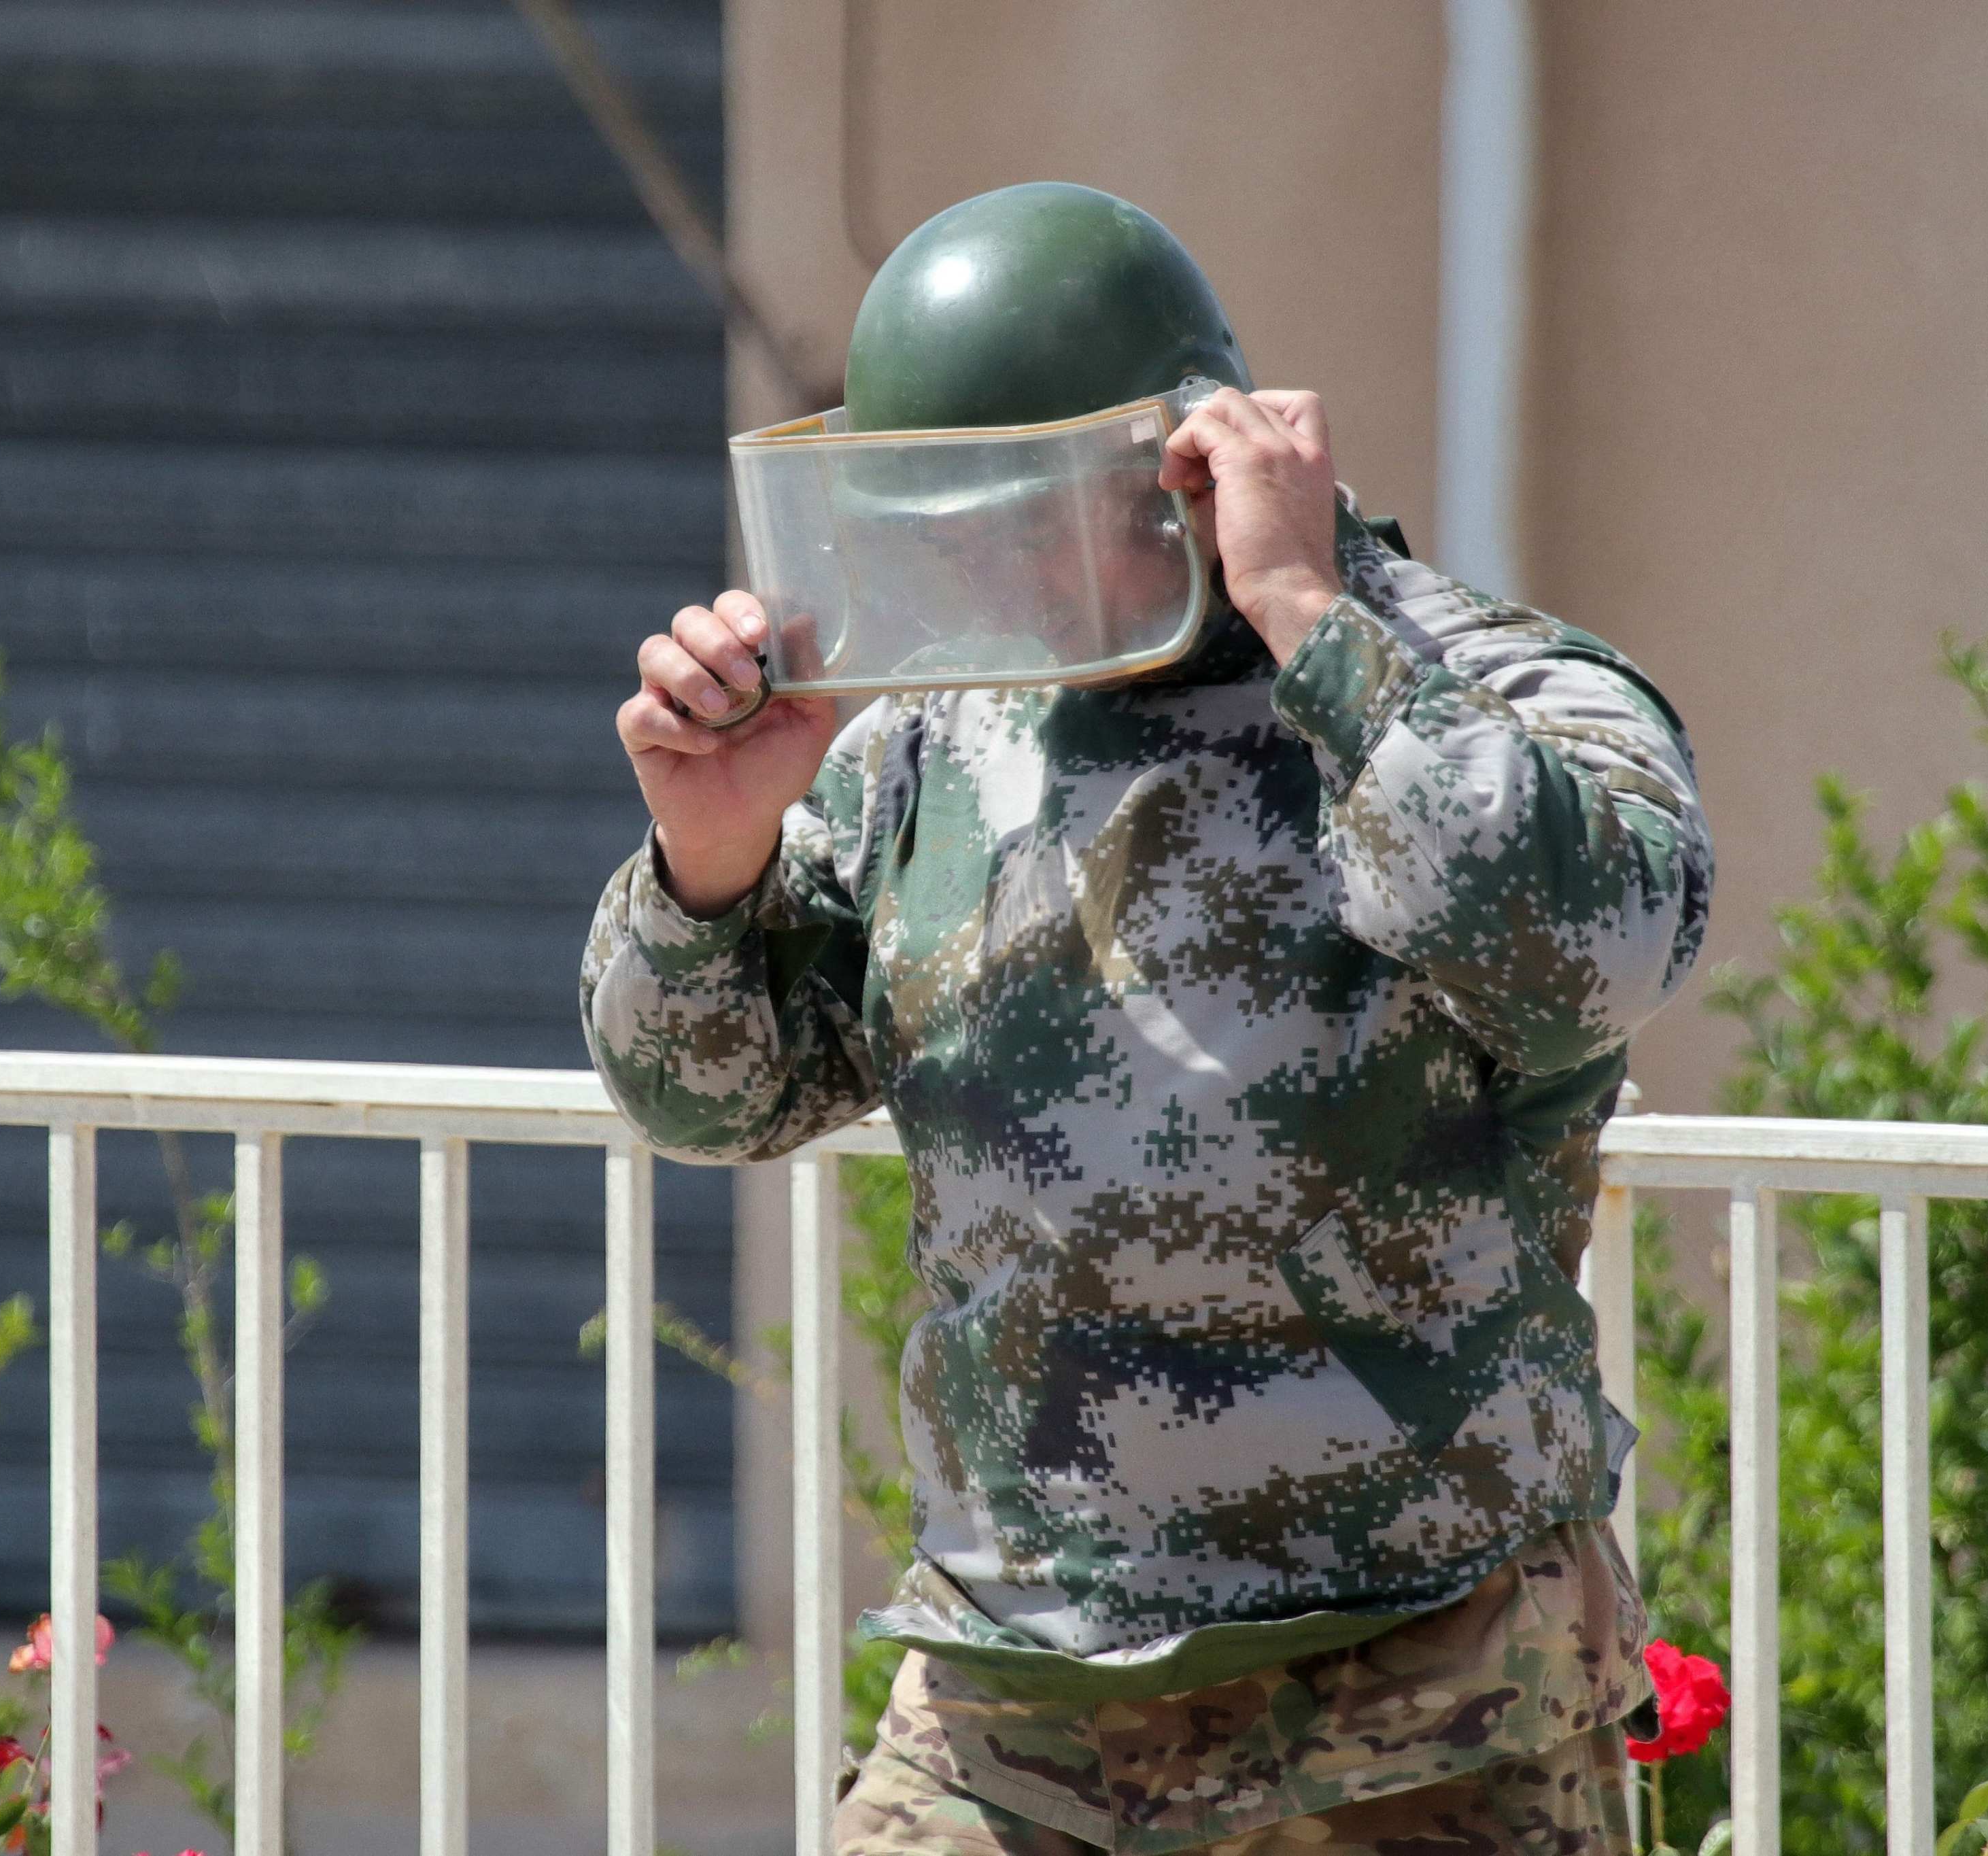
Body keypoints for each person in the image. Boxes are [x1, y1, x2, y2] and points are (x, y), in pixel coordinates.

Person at [579, 182, 1711, 1855]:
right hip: (1010, 1700)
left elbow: (1593, 951)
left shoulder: (1489, 690)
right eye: (933, 512)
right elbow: (711, 1102)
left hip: (1415, 1700)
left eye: (1023, 506)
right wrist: (712, 855)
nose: (976, 563)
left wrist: (1308, 617)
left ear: (1193, 461)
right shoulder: (924, 740)